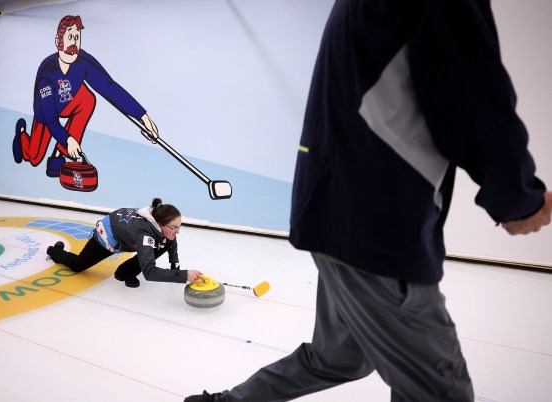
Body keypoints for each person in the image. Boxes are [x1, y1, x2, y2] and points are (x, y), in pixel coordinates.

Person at [186, 0, 551, 401]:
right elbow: (473, 96)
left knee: (337, 358)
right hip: (379, 226)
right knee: (438, 392)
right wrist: (518, 198)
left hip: (330, 213)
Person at [13, 15, 159, 177]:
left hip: (69, 100)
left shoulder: (83, 62)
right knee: (33, 157)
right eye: (69, 37)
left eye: (77, 37)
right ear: (58, 41)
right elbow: (50, 118)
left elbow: (109, 87)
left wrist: (143, 116)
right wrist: (68, 139)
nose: (73, 42)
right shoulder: (47, 76)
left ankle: (57, 155)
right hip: (47, 112)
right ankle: (21, 135)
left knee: (88, 99)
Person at [46, 198, 204, 288]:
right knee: (77, 265)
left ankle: (125, 272)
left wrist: (175, 266)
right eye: (174, 227)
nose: (178, 232)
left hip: (127, 237)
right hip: (106, 239)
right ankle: (55, 251)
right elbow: (149, 272)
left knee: (166, 242)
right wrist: (183, 275)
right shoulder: (144, 234)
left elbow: (172, 242)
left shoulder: (161, 222)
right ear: (160, 224)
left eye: (179, 226)